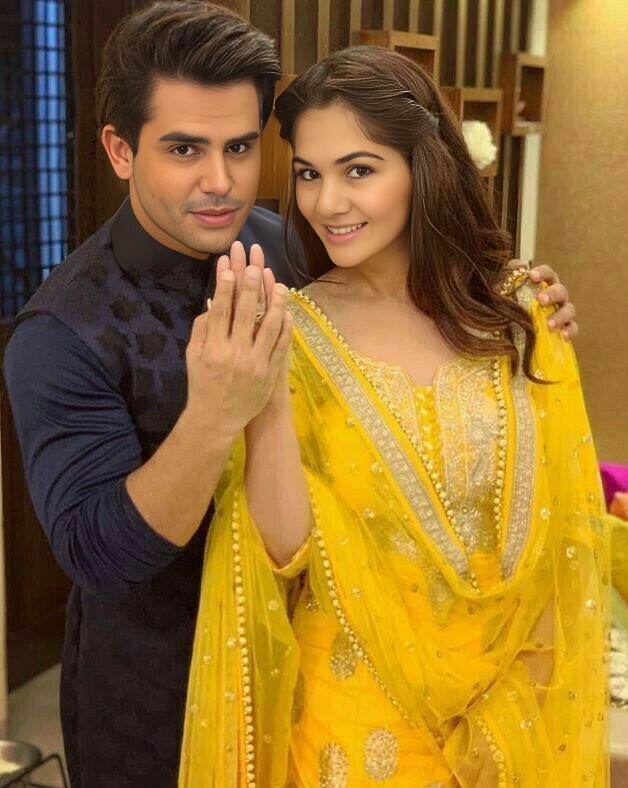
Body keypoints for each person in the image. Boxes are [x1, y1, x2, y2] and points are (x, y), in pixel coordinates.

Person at [2, 3, 577, 786]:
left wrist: (511, 304)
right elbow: (98, 557)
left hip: (327, 690)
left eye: (240, 147)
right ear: (120, 150)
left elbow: (395, 330)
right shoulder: (62, 330)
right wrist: (214, 415)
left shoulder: (283, 244)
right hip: (163, 702)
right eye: (184, 149)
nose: (221, 181)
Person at [180, 47, 609, 787]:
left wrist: (523, 713)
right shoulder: (295, 327)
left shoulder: (519, 311)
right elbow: (284, 552)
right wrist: (265, 391)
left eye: (359, 170)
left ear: (423, 166)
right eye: (309, 174)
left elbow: (564, 535)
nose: (326, 203)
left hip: (506, 715)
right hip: (352, 725)